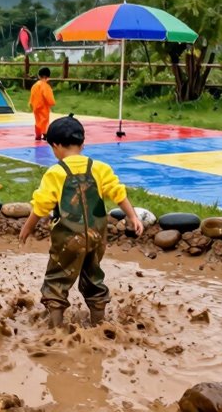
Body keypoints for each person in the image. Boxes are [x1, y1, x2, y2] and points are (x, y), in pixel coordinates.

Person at [18, 114, 143, 328]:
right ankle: (99, 324)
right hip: (96, 239)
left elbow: (41, 205)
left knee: (57, 279)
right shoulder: (100, 168)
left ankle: (56, 329)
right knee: (93, 276)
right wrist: (132, 216)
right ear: (82, 143)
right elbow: (118, 192)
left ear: (55, 145)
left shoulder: (55, 172)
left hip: (67, 240)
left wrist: (27, 228)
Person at [29, 67, 56, 141]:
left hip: (35, 107)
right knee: (44, 121)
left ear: (39, 76)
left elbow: (32, 95)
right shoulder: (46, 86)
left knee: (38, 121)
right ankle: (45, 134)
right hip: (43, 107)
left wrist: (31, 104)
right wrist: (52, 102)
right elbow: (48, 96)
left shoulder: (35, 85)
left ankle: (38, 135)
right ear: (47, 76)